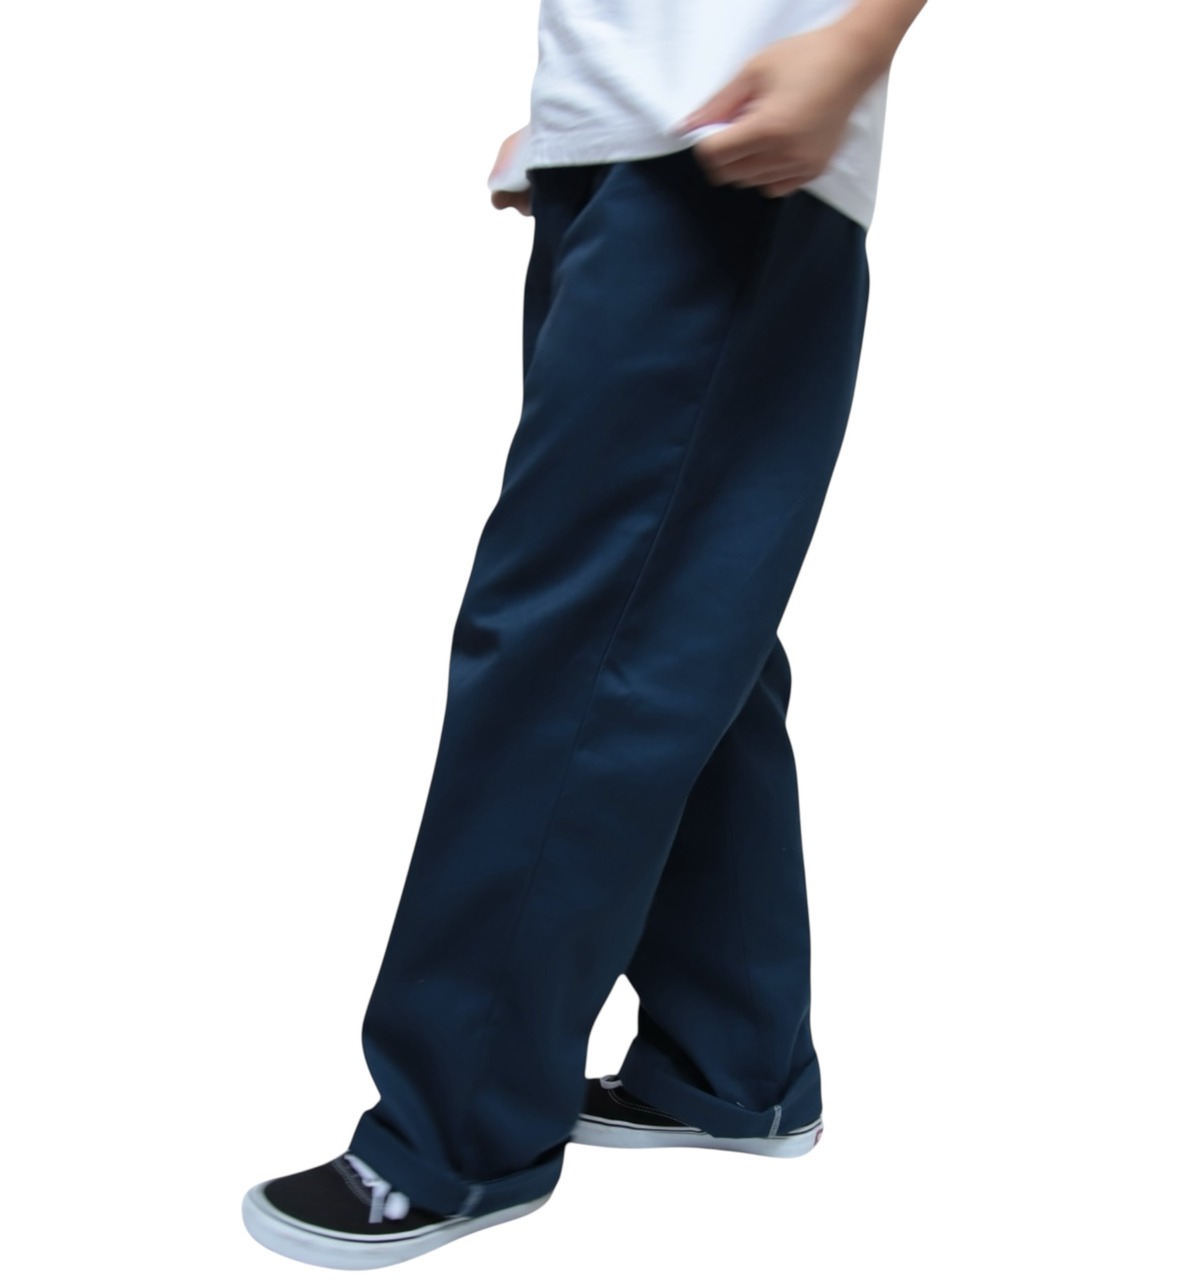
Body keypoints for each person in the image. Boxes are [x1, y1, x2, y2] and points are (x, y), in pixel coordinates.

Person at [242, 0, 928, 1268]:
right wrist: (573, 123)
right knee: (685, 621)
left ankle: (453, 1130)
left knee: (576, 641)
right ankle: (730, 1059)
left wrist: (860, 38)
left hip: (728, 154)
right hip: (633, 143)